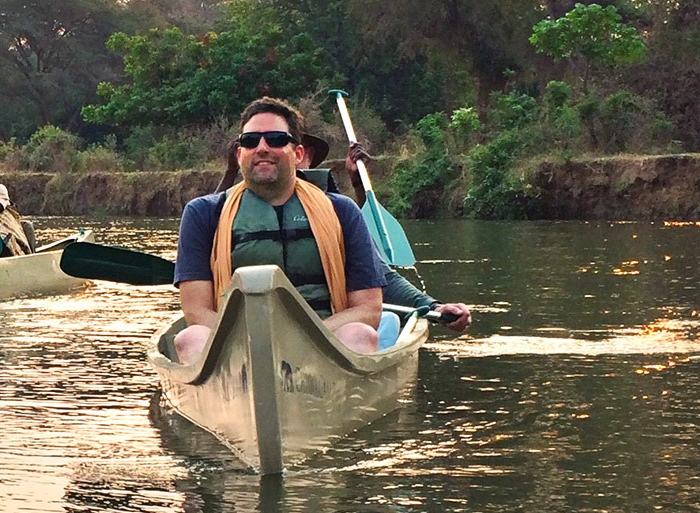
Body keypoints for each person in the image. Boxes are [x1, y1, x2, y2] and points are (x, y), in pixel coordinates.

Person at [173, 97, 389, 362]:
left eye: (275, 139)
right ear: (240, 154)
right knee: (190, 338)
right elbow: (196, 311)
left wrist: (298, 336)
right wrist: (256, 340)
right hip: (237, 344)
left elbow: (368, 309)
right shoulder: (203, 213)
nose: (262, 148)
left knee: (361, 334)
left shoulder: (341, 211)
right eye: (250, 141)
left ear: (298, 154)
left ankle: (346, 401)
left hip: (324, 340)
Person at [342, 141, 474, 333]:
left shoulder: (336, 211)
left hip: (333, 333)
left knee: (383, 324)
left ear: (301, 153)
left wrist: (434, 307)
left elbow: (382, 279)